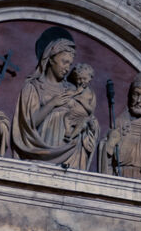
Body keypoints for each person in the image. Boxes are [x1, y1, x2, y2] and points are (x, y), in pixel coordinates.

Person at [12, 25, 97, 168]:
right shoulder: (34, 87)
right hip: (41, 148)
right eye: (64, 62)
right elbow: (28, 124)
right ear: (51, 59)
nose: (67, 68)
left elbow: (85, 115)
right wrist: (52, 103)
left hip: (70, 154)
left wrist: (90, 125)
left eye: (70, 64)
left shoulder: (71, 89)